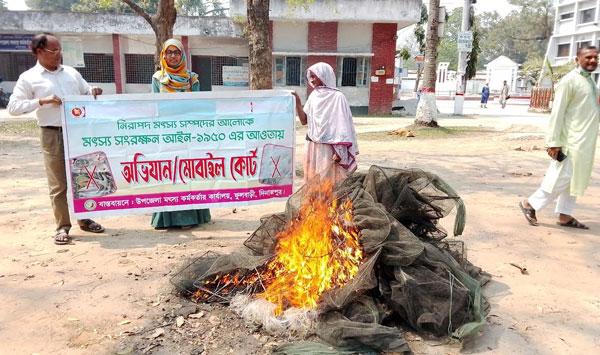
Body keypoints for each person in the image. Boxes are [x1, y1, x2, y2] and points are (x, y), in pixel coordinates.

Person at [7, 33, 105, 245]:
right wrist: (40, 101)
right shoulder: (29, 78)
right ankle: (62, 226)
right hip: (51, 133)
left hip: (77, 131)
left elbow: (85, 91)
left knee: (82, 178)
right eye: (54, 50)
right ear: (40, 51)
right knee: (58, 183)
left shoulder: (70, 73)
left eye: (60, 50)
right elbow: (13, 107)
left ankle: (85, 218)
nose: (59, 54)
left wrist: (93, 90)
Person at [519, 46, 599, 229]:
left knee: (574, 180)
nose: (593, 60)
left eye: (596, 57)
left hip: (585, 142)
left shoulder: (589, 82)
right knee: (561, 178)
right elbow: (557, 113)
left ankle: (565, 215)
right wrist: (554, 142)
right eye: (588, 57)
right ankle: (530, 204)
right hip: (570, 142)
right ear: (577, 60)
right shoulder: (569, 81)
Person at [150, 38, 211, 230]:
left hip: (188, 134)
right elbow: (153, 107)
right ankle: (165, 219)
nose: (173, 56)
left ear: (182, 55)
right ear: (164, 55)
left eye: (177, 52)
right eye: (169, 52)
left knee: (187, 172)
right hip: (165, 133)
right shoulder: (157, 78)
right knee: (167, 172)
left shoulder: (192, 78)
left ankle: (189, 218)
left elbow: (199, 105)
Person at [291, 62, 359, 182]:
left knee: (327, 182)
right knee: (313, 181)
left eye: (314, 76)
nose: (311, 80)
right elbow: (303, 121)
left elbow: (342, 126)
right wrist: (297, 101)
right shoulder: (313, 96)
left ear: (323, 76)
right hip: (312, 145)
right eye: (310, 76)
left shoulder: (338, 97)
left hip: (329, 148)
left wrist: (340, 152)